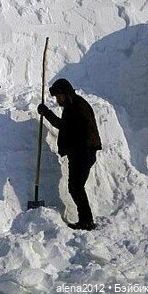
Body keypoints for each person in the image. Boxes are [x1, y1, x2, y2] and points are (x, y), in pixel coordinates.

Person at [38, 78, 102, 230]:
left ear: (66, 94)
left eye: (59, 96)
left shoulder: (78, 106)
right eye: (56, 97)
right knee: (76, 186)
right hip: (80, 152)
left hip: (83, 152)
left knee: (75, 187)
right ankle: (86, 220)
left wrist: (46, 113)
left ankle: (86, 221)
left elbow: (67, 127)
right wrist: (46, 113)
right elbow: (65, 126)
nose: (58, 99)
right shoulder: (73, 105)